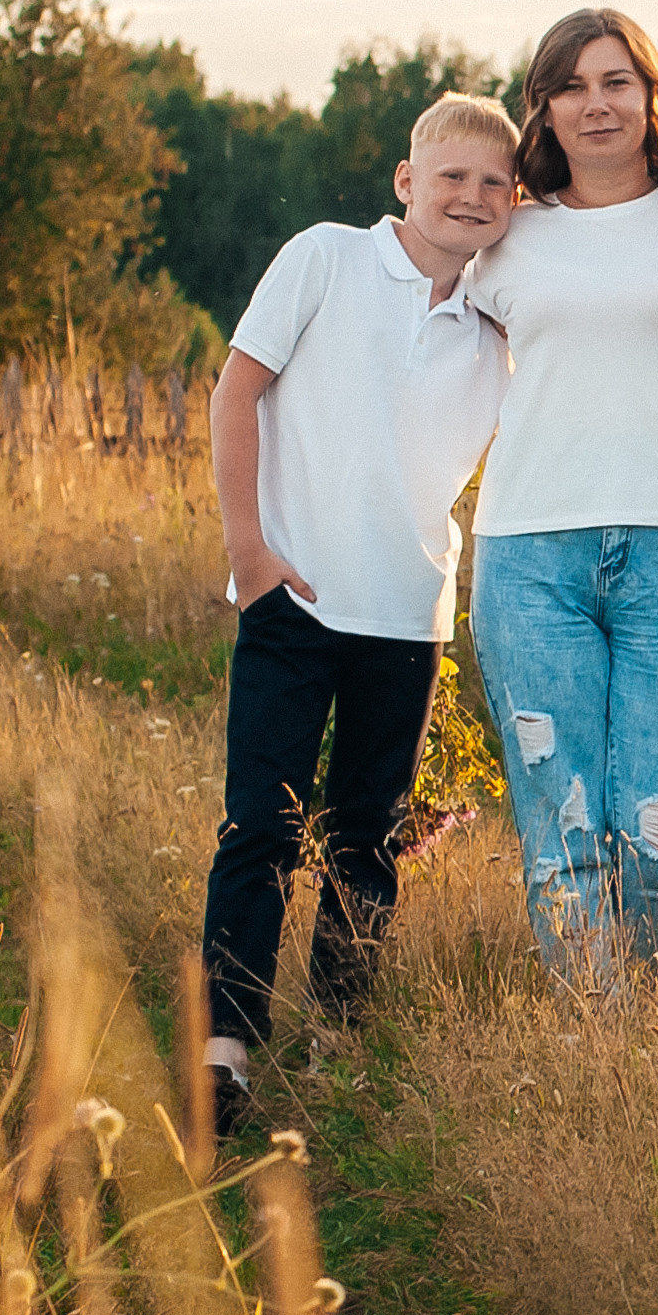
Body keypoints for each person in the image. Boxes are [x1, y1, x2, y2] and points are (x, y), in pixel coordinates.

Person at [199, 93, 517, 1131]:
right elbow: (235, 392)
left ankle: (341, 1034)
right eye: (452, 176)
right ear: (406, 180)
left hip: (406, 611)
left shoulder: (500, 324)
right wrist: (248, 550)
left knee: (366, 836)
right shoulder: (325, 259)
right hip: (294, 592)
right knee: (262, 825)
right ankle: (226, 1049)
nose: (470, 197)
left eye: (493, 184)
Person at [467, 8, 658, 986]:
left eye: (617, 81)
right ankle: (601, 1039)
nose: (596, 103)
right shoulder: (500, 237)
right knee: (563, 825)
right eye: (573, 85)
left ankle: (652, 1021)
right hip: (528, 557)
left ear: (650, 97)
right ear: (542, 107)